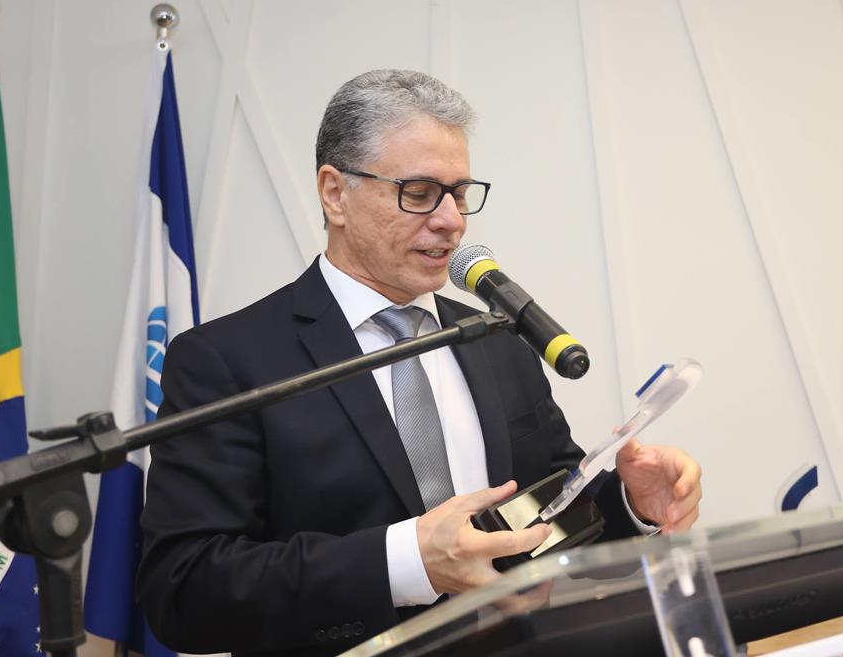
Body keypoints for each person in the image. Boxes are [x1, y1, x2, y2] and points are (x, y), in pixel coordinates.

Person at [137, 69, 703, 656]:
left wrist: (631, 504)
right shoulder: (228, 361)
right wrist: (407, 563)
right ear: (335, 193)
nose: (451, 220)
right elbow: (184, 591)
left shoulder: (497, 339)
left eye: (459, 192)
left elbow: (549, 512)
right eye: (419, 191)